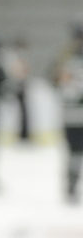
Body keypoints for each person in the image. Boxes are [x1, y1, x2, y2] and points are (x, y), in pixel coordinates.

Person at [52, 24, 83, 203]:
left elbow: (55, 80)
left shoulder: (65, 57)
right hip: (76, 113)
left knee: (73, 153)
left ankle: (71, 185)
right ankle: (71, 185)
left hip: (69, 114)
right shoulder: (66, 57)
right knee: (76, 154)